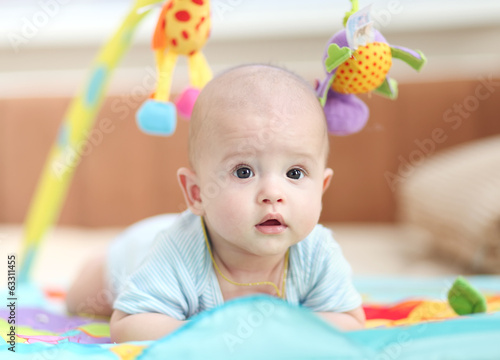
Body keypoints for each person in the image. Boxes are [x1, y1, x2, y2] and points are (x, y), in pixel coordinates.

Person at [66, 64, 365, 342]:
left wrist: (283, 331)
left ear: (322, 188)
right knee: (80, 299)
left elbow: (349, 320)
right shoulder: (176, 255)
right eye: (244, 171)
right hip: (134, 249)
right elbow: (129, 325)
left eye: (295, 173)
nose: (273, 193)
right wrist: (213, 334)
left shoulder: (317, 252)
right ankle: (96, 261)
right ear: (197, 193)